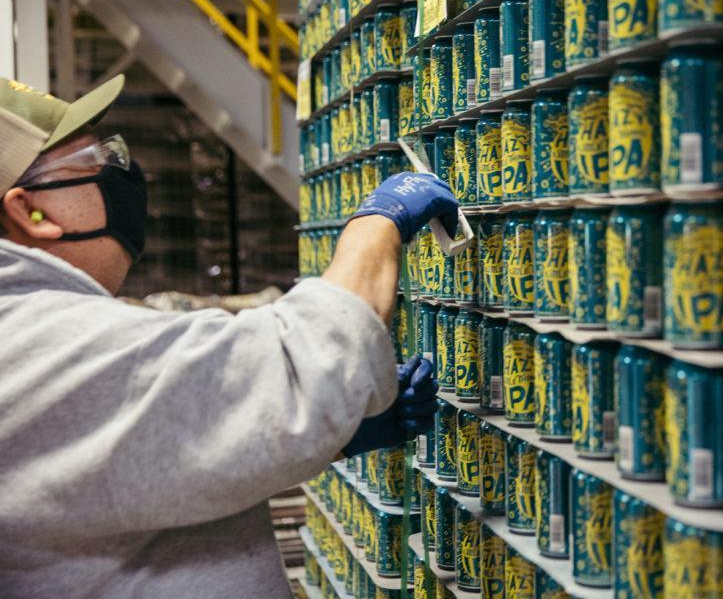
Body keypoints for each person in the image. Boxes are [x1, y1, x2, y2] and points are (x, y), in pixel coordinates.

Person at [0, 76, 460, 597]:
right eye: (94, 162)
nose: (119, 174)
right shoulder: (35, 344)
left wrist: (332, 438)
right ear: (29, 213)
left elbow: (123, 475)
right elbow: (310, 363)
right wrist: (379, 222)